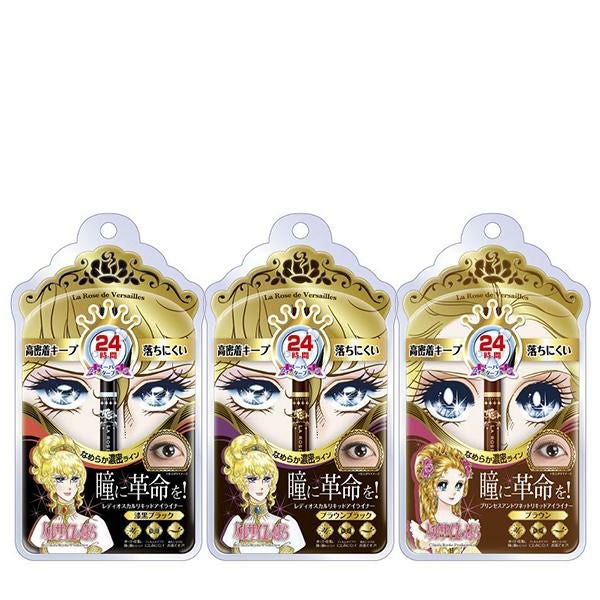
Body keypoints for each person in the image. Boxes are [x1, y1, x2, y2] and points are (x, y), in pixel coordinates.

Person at [28, 434, 113, 553]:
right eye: (60, 479)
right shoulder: (44, 527)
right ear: (49, 481)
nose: (68, 486)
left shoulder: (94, 526)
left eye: (74, 479)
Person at [221, 433, 305, 553]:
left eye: (266, 479)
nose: (260, 486)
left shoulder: (286, 526)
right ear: (242, 482)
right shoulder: (236, 526)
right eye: (252, 479)